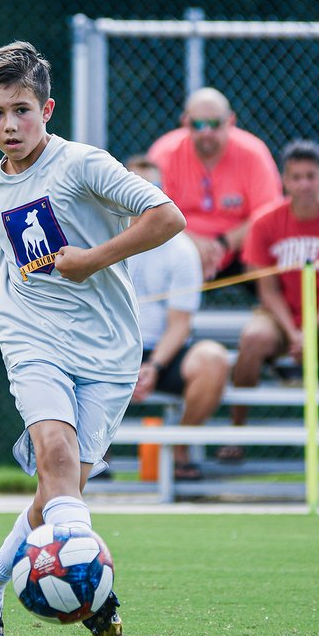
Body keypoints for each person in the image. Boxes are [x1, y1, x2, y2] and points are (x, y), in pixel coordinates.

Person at [0, 42, 184, 636]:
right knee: (54, 457)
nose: (10, 125)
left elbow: (167, 217)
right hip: (30, 336)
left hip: (108, 349)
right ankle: (92, 588)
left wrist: (91, 260)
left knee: (61, 489)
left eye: (22, 110)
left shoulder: (83, 165)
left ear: (47, 108)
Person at [231, 141, 319, 435]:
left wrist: (310, 331)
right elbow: (268, 291)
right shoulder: (264, 222)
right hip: (280, 316)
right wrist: (294, 333)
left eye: (310, 176)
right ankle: (237, 430)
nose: (304, 184)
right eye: (296, 177)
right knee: (253, 338)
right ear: (284, 180)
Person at [124, 155, 230, 481]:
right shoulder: (97, 240)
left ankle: (181, 450)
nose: (142, 196)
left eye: (151, 188)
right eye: (133, 187)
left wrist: (153, 367)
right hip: (112, 350)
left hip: (164, 354)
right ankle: (91, 457)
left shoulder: (181, 250)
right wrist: (123, 362)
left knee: (213, 360)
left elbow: (180, 323)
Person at [147, 87, 282, 282]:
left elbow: (268, 214)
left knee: (269, 249)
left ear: (231, 121)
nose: (206, 132)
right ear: (185, 122)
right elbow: (152, 213)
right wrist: (191, 244)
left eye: (215, 124)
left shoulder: (253, 153)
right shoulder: (165, 153)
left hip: (237, 251)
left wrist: (222, 244)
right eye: (198, 124)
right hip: (178, 246)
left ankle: (272, 311)